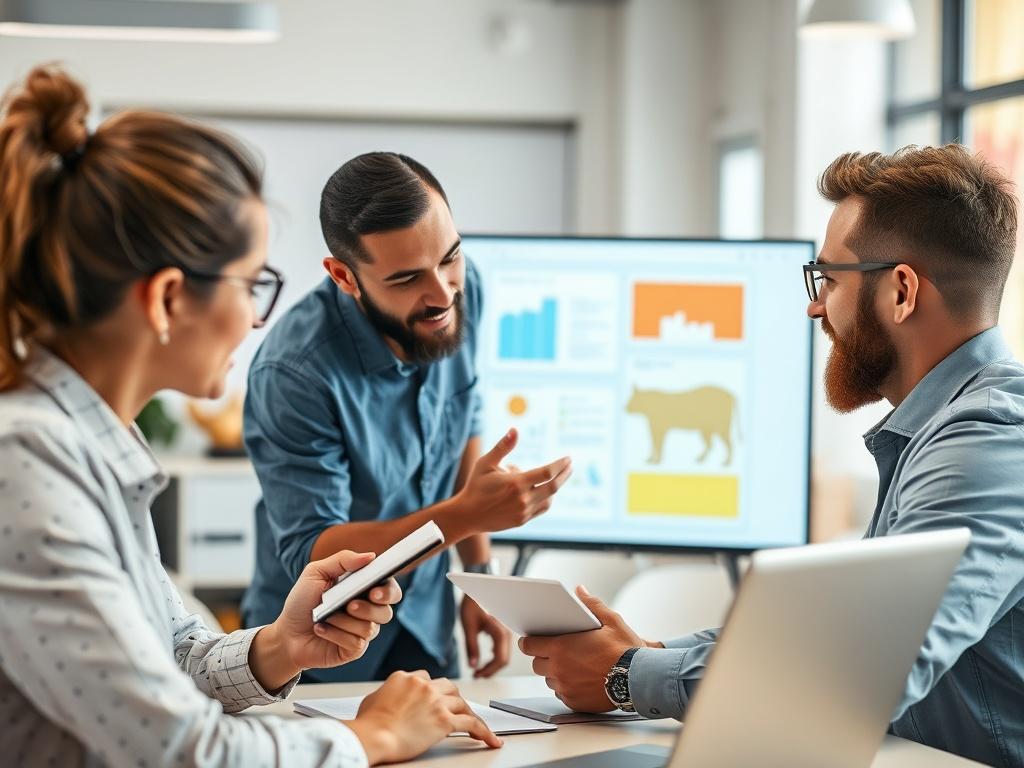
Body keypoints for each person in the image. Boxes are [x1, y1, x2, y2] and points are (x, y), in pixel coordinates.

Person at [0, 65, 500, 767]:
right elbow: (181, 748)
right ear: (169, 299)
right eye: (252, 284)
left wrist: (281, 644)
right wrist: (373, 735)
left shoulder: (94, 445)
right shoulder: (25, 463)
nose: (257, 318)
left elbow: (173, 654)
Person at [519, 144, 1024, 767]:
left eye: (829, 280)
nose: (816, 306)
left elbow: (864, 675)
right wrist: (646, 652)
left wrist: (627, 674)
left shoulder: (989, 441)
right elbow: (838, 635)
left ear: (901, 292)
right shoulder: (944, 431)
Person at [241, 152, 573, 682]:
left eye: (450, 257)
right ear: (344, 276)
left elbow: (463, 426)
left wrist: (479, 575)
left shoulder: (465, 290)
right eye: (406, 279)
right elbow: (316, 550)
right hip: (321, 641)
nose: (442, 293)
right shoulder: (293, 372)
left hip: (425, 622)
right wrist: (466, 516)